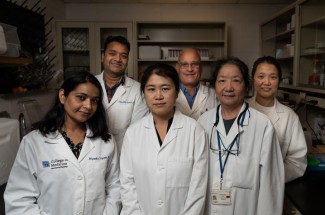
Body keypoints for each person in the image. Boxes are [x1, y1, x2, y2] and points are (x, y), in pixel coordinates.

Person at [4, 72, 121, 215]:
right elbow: (19, 199)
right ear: (62, 96)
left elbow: (114, 187)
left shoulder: (105, 142)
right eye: (81, 97)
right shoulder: (34, 142)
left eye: (95, 100)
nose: (88, 106)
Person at [197, 57, 284, 215]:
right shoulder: (203, 122)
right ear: (214, 86)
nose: (228, 87)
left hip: (246, 208)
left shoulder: (262, 125)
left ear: (246, 86)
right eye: (222, 81)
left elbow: (270, 186)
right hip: (209, 208)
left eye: (236, 81)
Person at [120, 63, 208, 215]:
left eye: (165, 88)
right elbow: (127, 184)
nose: (158, 96)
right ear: (144, 93)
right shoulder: (133, 133)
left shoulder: (195, 131)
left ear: (177, 92)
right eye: (151, 89)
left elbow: (198, 189)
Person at [247, 56, 307, 182]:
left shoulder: (289, 116)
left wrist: (271, 179)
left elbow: (297, 162)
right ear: (253, 79)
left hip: (275, 184)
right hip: (243, 185)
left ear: (279, 81)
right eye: (261, 76)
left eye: (273, 77)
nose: (267, 82)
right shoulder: (241, 109)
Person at [96, 35, 148, 153]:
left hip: (123, 154)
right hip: (92, 153)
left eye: (123, 56)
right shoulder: (88, 85)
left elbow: (137, 131)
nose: (118, 59)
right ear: (103, 56)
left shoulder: (138, 90)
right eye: (112, 53)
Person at [175, 48, 217, 120]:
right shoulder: (168, 95)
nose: (190, 69)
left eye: (194, 64)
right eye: (184, 64)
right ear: (177, 68)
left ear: (201, 68)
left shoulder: (215, 95)